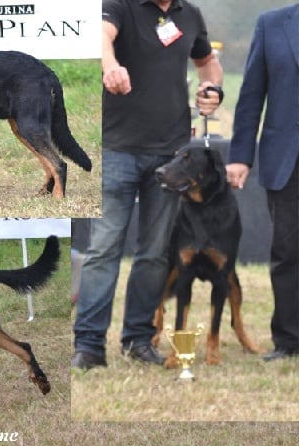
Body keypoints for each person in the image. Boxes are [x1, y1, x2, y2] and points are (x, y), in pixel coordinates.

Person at [71, 0, 223, 370]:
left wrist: (212, 89)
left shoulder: (190, 14)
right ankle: (89, 346)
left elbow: (207, 62)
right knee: (104, 249)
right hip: (117, 148)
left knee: (154, 253)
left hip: (172, 156)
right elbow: (100, 35)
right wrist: (110, 65)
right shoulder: (119, 6)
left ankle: (138, 340)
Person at [226, 4, 299, 362]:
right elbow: (252, 93)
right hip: (286, 158)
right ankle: (289, 340)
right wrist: (240, 154)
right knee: (287, 251)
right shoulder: (271, 24)